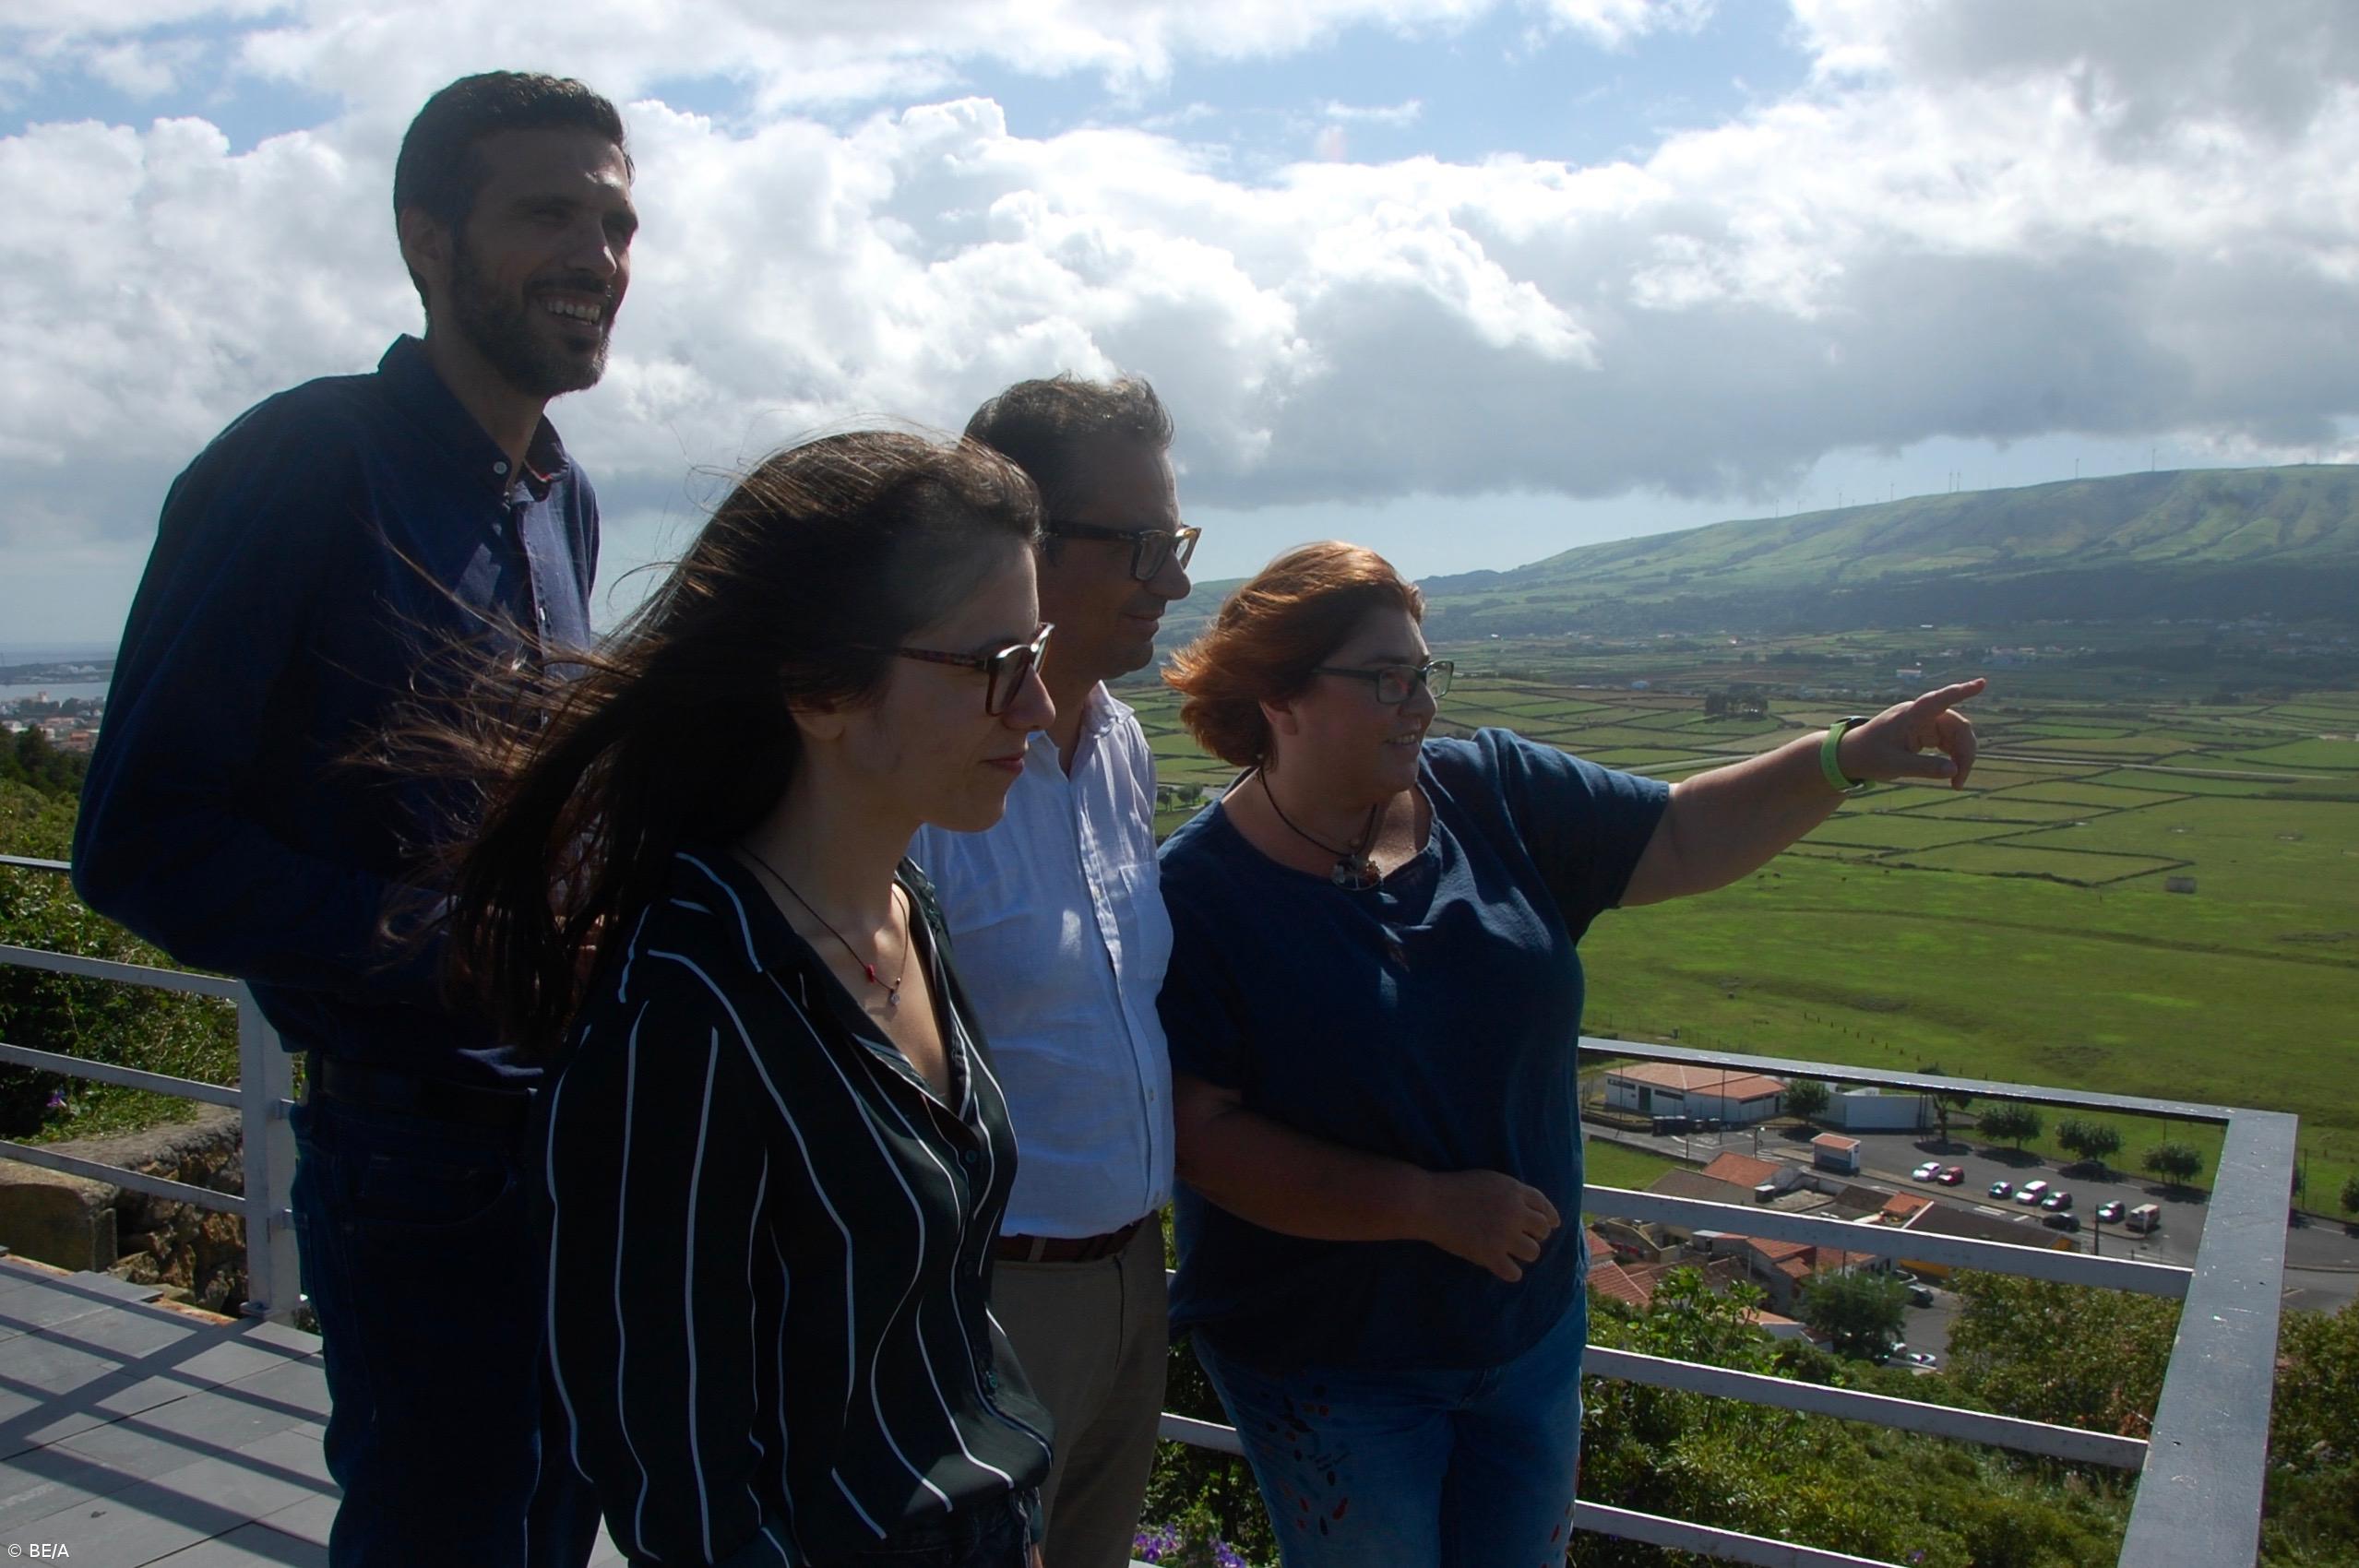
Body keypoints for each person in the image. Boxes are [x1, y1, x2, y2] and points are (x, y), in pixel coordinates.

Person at [70, 71, 637, 1567]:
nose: (596, 254)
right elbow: (139, 837)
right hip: (416, 1158)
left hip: (566, 1135)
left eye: (616, 221)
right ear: (427, 241)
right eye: (546, 214)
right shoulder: (305, 466)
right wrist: (455, 947)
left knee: (556, 1527)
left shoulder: (555, 496)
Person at [1154, 541, 1982, 1566]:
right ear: (1278, 695)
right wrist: (1421, 1204)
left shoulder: (1490, 789)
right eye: (1385, 678)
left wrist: (1839, 757)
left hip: (1525, 1335)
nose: (1418, 702)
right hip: (1333, 1358)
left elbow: (1677, 832)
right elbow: (1204, 1137)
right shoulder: (1200, 894)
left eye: (1424, 672)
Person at [434, 431, 1057, 1568]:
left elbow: (933, 1315)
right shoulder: (685, 1002)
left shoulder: (903, 910)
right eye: (1000, 662)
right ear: (822, 688)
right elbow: (675, 1475)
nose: (1039, 705)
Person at [911, 375, 1192, 1568]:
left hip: (1133, 1270)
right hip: (990, 1301)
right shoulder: (929, 768)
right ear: (1023, 543)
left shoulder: (1120, 739)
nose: (1173, 583)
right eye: (1140, 546)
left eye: (1173, 543)